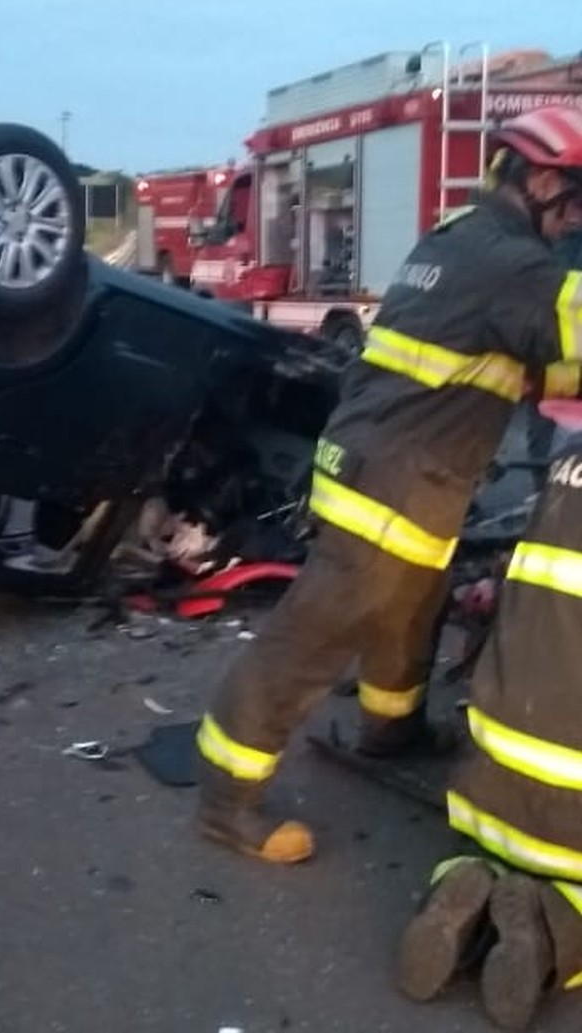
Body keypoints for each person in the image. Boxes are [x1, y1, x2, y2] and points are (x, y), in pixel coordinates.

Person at [194, 104, 582, 866]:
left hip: (386, 461)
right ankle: (225, 798)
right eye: (575, 200)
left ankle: (390, 728)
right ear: (539, 181)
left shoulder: (460, 239)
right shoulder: (520, 268)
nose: (576, 220)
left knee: (411, 607)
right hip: (397, 479)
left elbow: (522, 359)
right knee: (313, 637)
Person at [396, 409, 582, 1031]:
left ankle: (466, 882)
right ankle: (555, 929)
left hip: (494, 757)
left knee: (485, 841)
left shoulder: (569, 458)